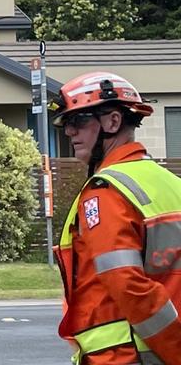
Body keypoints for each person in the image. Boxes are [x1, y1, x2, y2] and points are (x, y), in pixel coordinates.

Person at [51, 71, 181, 364]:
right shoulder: (170, 183)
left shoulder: (107, 191)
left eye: (79, 121)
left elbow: (127, 284)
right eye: (66, 124)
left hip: (124, 354)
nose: (69, 132)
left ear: (112, 121)